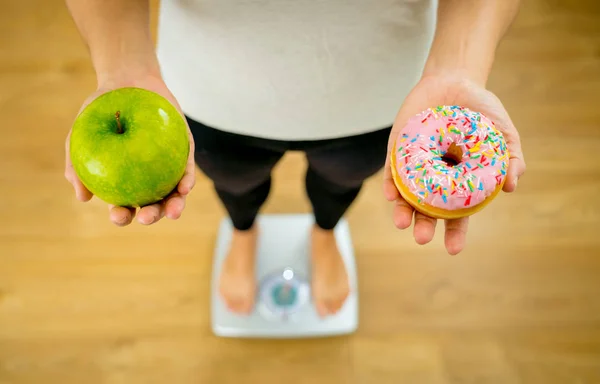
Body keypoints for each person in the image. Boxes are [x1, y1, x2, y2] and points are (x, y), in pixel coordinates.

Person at [64, 0, 526, 317]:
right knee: (235, 183)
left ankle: (325, 233)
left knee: (341, 182)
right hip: (201, 97)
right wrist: (122, 64)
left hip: (386, 99)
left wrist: (459, 66)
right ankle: (243, 233)